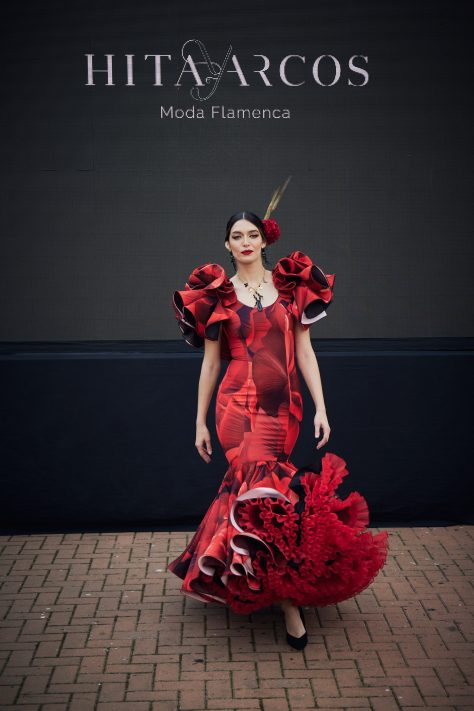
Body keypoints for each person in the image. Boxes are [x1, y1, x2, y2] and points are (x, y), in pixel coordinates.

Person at [168, 185, 388, 650]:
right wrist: (200, 421)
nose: (244, 242)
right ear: (226, 245)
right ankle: (289, 602)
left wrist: (322, 406)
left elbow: (305, 353)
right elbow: (210, 363)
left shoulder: (291, 287)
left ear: (265, 240)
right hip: (236, 405)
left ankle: (253, 572)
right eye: (235, 236)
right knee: (256, 484)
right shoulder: (217, 294)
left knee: (267, 494)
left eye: (251, 233)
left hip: (284, 405)